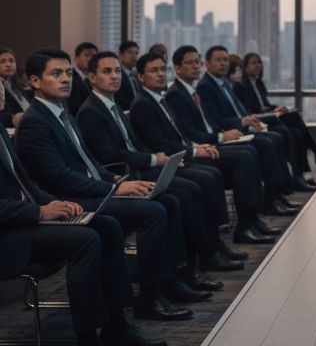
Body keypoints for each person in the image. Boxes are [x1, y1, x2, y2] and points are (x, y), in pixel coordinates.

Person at [14, 50, 193, 325]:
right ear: (35, 82)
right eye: (56, 74)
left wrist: (115, 181)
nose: (65, 80)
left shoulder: (63, 114)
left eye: (68, 73)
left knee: (165, 200)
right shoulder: (35, 123)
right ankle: (149, 296)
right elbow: (59, 177)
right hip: (69, 198)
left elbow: (90, 162)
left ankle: (170, 279)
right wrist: (111, 190)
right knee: (152, 211)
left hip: (91, 190)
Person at [0, 81, 164, 346]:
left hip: (25, 221)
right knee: (85, 239)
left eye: (0, 86)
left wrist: (56, 205)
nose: (0, 92)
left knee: (107, 225)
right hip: (9, 234)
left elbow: (28, 186)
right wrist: (40, 211)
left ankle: (117, 327)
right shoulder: (33, 124)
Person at [76, 51, 231, 297]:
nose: (115, 76)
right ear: (92, 77)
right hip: (123, 174)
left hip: (138, 168)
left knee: (188, 189)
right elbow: (108, 154)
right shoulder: (90, 111)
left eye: (117, 71)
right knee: (183, 193)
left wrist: (163, 159)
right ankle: (182, 271)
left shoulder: (113, 106)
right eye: (107, 72)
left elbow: (135, 143)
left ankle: (186, 267)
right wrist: (153, 159)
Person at [127, 51, 245, 274]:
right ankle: (204, 253)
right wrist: (192, 151)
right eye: (154, 70)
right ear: (140, 77)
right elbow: (157, 142)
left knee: (210, 175)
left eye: (163, 69)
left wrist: (194, 149)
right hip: (156, 164)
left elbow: (178, 136)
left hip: (173, 156)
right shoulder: (142, 103)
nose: (161, 74)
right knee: (203, 179)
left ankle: (214, 244)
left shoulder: (158, 99)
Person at [164, 46, 278, 243]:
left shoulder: (191, 91)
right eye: (189, 63)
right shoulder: (177, 94)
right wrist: (220, 137)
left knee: (252, 149)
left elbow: (211, 122)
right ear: (177, 69)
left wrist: (225, 134)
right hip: (201, 147)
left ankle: (252, 218)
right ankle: (244, 225)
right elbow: (190, 133)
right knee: (246, 155)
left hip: (212, 139)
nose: (195, 66)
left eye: (196, 62)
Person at [197, 46, 300, 216]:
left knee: (275, 136)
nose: (223, 63)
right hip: (229, 132)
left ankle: (277, 194)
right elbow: (214, 119)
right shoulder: (206, 86)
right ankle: (271, 199)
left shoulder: (224, 83)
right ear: (207, 64)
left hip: (241, 126)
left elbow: (240, 110)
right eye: (218, 60)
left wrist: (251, 120)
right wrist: (242, 122)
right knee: (268, 141)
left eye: (225, 59)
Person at [237, 51, 316, 180]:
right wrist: (270, 111)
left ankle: (302, 175)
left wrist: (275, 108)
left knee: (296, 132)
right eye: (253, 63)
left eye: (259, 62)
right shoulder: (242, 86)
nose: (257, 66)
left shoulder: (258, 83)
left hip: (266, 115)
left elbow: (264, 105)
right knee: (293, 117)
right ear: (245, 67)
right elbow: (250, 110)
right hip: (257, 120)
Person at [0, 47, 33, 128]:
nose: (8, 64)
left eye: (11, 61)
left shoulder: (19, 86)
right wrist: (12, 119)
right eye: (2, 62)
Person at [68, 41, 97, 116]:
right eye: (87, 55)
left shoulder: (94, 79)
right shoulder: (70, 78)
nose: (90, 59)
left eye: (93, 56)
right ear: (76, 58)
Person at [115, 40, 140, 111]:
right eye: (129, 52)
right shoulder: (117, 75)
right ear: (120, 55)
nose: (134, 56)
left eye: (136, 53)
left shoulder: (136, 74)